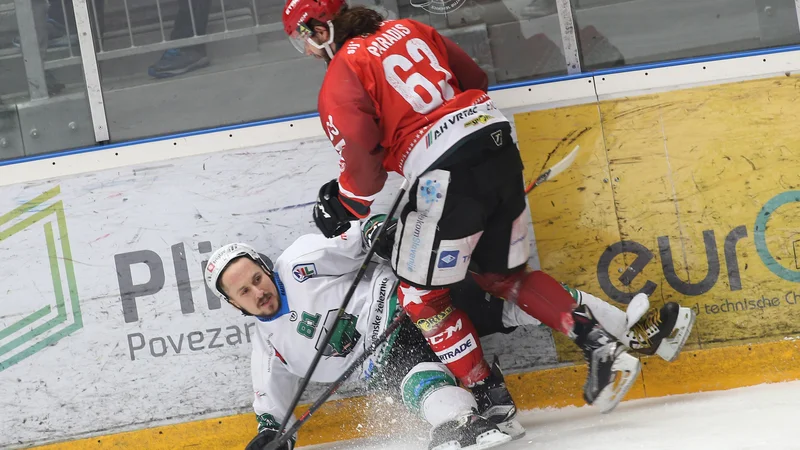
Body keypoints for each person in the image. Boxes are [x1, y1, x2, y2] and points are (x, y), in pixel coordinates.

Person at [281, 0, 695, 425]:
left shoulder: (342, 71)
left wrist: (342, 204)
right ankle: (601, 344)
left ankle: (486, 397)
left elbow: (362, 169)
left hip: (445, 175)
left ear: (319, 31)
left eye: (304, 40)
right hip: (496, 145)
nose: (309, 51)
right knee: (502, 276)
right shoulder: (409, 28)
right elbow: (473, 78)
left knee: (421, 298)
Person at [205, 216, 693, 450]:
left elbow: (354, 244)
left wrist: (375, 229)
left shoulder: (300, 260)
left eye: (255, 278)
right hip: (383, 354)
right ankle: (465, 422)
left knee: (512, 300)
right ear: (235, 305)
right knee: (413, 378)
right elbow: (273, 412)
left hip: (410, 299)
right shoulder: (268, 349)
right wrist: (271, 438)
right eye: (244, 293)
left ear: (265, 267)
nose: (257, 291)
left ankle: (631, 332)